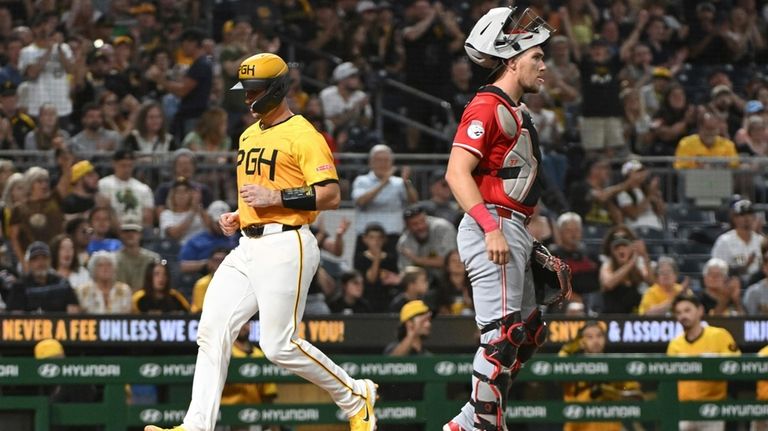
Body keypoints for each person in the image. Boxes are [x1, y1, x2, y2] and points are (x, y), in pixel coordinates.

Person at [144, 52, 377, 431]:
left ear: (277, 89)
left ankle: (355, 395)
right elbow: (261, 190)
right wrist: (241, 215)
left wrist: (275, 200)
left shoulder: (303, 133)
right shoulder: (248, 133)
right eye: (246, 90)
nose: (249, 97)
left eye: (255, 90)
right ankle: (195, 426)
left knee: (278, 345)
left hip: (288, 242)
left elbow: (331, 194)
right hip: (248, 245)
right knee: (212, 330)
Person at [443, 7, 555, 431]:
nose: (543, 66)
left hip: (512, 226)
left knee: (526, 332)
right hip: (492, 222)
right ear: (512, 59)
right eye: (536, 57)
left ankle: (472, 421)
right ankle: (478, 425)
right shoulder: (488, 105)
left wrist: (523, 239)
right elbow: (456, 172)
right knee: (501, 335)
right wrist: (492, 229)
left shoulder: (517, 110)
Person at [667, 294, 740, 431]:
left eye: (687, 310)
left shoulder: (719, 335)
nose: (683, 316)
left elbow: (736, 365)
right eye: (678, 313)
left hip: (713, 409)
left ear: (700, 310)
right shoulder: (675, 344)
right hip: (684, 410)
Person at [559, 321, 642, 431]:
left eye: (599, 336)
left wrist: (614, 394)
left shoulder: (615, 366)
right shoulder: (572, 365)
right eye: (590, 337)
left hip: (611, 428)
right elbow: (558, 365)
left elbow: (637, 397)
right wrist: (571, 346)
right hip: (578, 428)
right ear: (581, 342)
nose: (595, 340)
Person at [220, 323, 279, 431]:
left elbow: (268, 394)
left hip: (254, 416)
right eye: (240, 322)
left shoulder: (259, 355)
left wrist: (271, 424)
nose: (243, 326)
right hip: (227, 416)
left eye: (247, 323)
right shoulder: (224, 352)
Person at [6, 241, 81, 313]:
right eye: (35, 259)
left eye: (44, 258)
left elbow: (73, 315)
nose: (40, 262)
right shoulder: (19, 286)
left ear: (50, 261)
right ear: (28, 263)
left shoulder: (63, 284)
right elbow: (15, 319)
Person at [549, 212, 601, 314]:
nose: (574, 234)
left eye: (577, 230)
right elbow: (552, 287)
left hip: (593, 299)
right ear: (560, 232)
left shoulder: (590, 255)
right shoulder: (552, 255)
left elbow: (602, 280)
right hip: (566, 302)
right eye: (569, 230)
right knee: (576, 308)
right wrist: (575, 298)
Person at [397, 204, 458, 283]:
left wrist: (417, 259)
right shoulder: (404, 242)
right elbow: (405, 272)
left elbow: (449, 262)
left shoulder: (443, 228)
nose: (420, 226)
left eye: (422, 221)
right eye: (415, 224)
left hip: (449, 278)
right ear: (407, 226)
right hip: (422, 283)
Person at [711, 198, 764, 283]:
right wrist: (744, 267)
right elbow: (716, 269)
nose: (746, 218)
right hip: (732, 286)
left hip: (758, 286)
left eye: (749, 213)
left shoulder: (761, 241)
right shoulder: (724, 241)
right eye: (742, 214)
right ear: (734, 218)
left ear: (754, 217)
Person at [97, 149, 154, 227]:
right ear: (114, 164)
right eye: (123, 165)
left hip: (136, 229)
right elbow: (102, 211)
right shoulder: (103, 184)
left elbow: (148, 216)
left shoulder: (143, 188)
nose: (127, 170)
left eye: (130, 166)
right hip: (111, 229)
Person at [115, 218, 160, 292]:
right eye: (126, 231)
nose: (130, 234)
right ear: (121, 234)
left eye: (134, 231)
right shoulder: (113, 259)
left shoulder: (152, 259)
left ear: (140, 234)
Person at [189, 247, 229, 313]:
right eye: (215, 260)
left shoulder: (237, 283)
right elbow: (199, 309)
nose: (219, 264)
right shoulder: (202, 284)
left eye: (222, 260)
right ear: (209, 263)